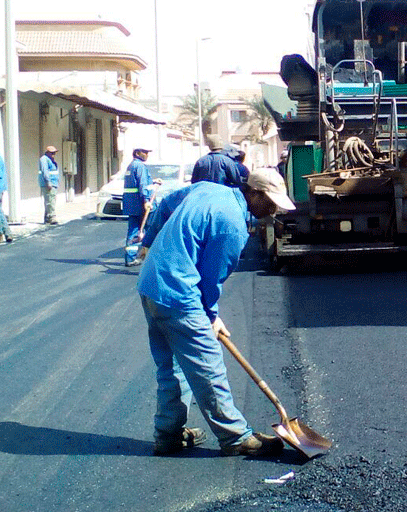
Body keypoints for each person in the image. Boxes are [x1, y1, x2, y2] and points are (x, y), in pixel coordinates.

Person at [137, 167, 296, 456]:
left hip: (151, 285)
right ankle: (235, 437)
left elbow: (165, 205)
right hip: (178, 294)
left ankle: (168, 434)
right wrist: (210, 315)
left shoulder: (208, 189)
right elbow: (212, 278)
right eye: (270, 202)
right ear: (254, 193)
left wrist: (149, 241)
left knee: (171, 368)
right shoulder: (232, 224)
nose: (273, 211)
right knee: (208, 366)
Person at [121, 148, 155, 266]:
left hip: (132, 205)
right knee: (151, 229)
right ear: (137, 153)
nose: (147, 155)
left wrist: (154, 182)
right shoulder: (140, 166)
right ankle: (151, 257)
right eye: (144, 152)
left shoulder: (131, 166)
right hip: (141, 205)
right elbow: (142, 184)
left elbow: (138, 183)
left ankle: (130, 258)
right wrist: (146, 201)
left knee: (133, 231)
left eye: (147, 153)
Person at [38, 145, 59, 224]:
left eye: (54, 153)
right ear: (47, 153)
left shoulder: (51, 159)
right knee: (50, 200)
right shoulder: (44, 159)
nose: (53, 154)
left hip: (53, 182)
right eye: (52, 153)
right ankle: (52, 217)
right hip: (48, 183)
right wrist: (48, 182)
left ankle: (47, 217)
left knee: (51, 200)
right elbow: (45, 171)